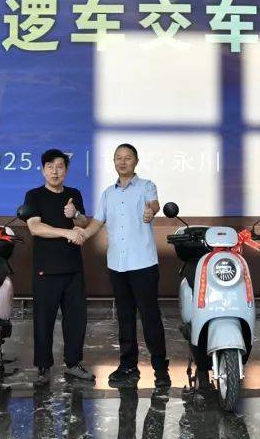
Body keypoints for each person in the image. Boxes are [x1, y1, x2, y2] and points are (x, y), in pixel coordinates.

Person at [77, 143, 169, 388]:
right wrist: (82, 235)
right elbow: (97, 221)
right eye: (118, 158)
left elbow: (154, 204)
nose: (123, 162)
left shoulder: (146, 186)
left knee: (150, 317)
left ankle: (161, 368)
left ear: (136, 161)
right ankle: (128, 366)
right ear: (114, 162)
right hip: (117, 265)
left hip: (143, 264)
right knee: (125, 318)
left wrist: (150, 211)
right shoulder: (108, 193)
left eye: (127, 158)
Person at [22, 148, 95, 386]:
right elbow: (35, 227)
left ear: (66, 170)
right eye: (50, 167)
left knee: (76, 319)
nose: (55, 171)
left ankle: (73, 364)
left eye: (60, 166)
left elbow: (83, 222)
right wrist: (66, 232)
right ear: (43, 170)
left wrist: (75, 214)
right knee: (44, 319)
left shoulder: (74, 194)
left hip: (73, 268)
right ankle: (43, 367)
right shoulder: (34, 195)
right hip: (46, 269)